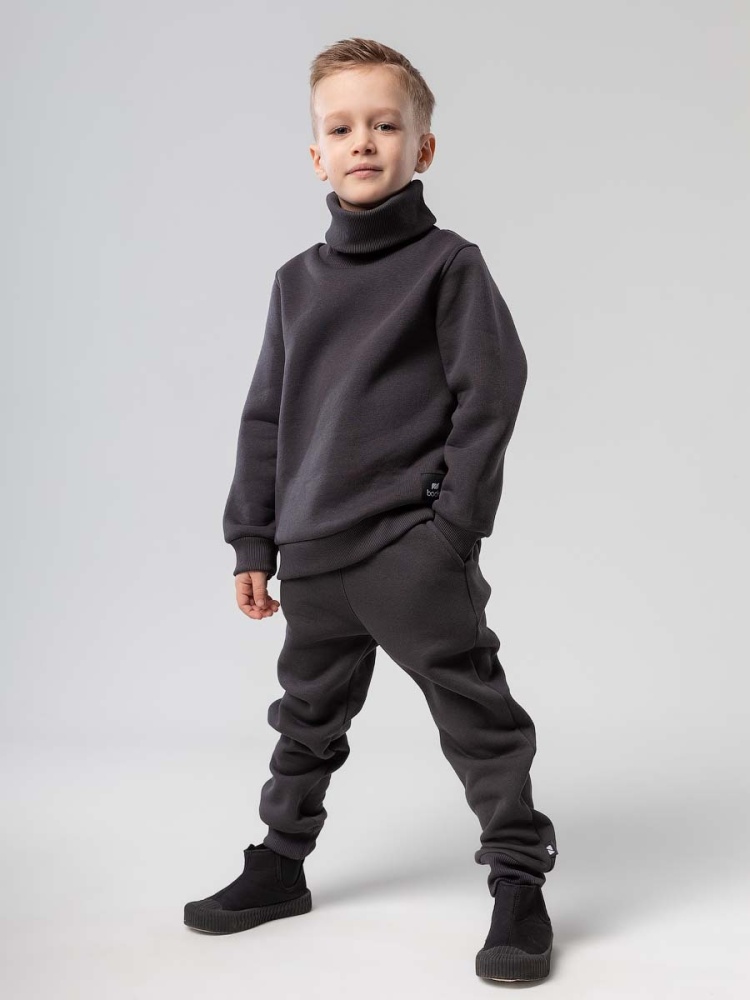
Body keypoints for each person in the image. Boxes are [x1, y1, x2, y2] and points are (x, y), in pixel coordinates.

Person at [184, 36, 559, 983]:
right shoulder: (295, 284)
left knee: (476, 718)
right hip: (313, 559)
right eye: (342, 128)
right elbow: (265, 416)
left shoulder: (449, 266)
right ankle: (280, 865)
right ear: (317, 154)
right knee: (305, 720)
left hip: (409, 554)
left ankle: (519, 882)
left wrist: (451, 531)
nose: (364, 141)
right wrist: (253, 541)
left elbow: (491, 392)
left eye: (386, 125)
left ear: (422, 147)